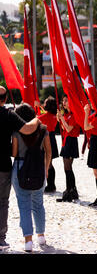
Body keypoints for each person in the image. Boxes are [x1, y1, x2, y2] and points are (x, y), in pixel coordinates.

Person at [0, 86, 40, 250]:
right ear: (5, 99)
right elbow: (28, 128)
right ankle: (0, 239)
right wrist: (37, 118)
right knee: (2, 202)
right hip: (2, 165)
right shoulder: (9, 114)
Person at [11, 103, 52, 252]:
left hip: (20, 168)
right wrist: (46, 169)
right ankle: (41, 235)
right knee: (38, 204)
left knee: (24, 205)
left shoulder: (16, 131)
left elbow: (14, 154)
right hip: (38, 169)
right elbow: (49, 152)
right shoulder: (43, 130)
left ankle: (28, 241)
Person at [56, 95, 81, 203]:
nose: (64, 102)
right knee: (67, 168)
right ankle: (72, 190)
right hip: (66, 141)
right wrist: (60, 119)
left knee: (68, 167)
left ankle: (69, 190)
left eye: (66, 100)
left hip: (71, 141)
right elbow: (63, 127)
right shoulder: (67, 114)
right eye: (63, 100)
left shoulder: (74, 114)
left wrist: (61, 119)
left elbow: (69, 128)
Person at [38, 96, 59, 193]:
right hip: (52, 138)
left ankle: (50, 185)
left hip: (46, 139)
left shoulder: (44, 117)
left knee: (48, 164)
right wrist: (40, 107)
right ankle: (51, 184)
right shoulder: (54, 116)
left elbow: (38, 118)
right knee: (50, 163)